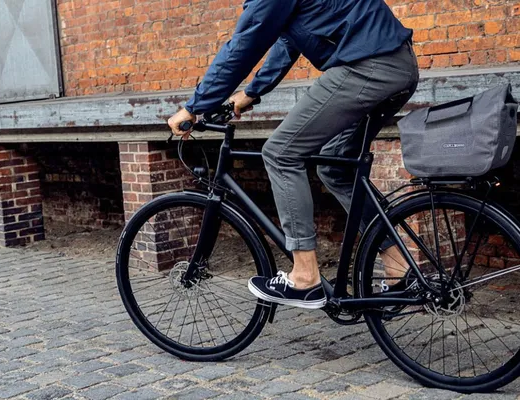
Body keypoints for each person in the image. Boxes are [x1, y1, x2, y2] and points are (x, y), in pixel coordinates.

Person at [168, 0, 419, 309]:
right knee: (336, 166)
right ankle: (399, 265)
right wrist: (251, 93)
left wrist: (196, 106)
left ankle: (305, 278)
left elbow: (246, 42)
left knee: (280, 153)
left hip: (367, 66)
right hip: (396, 63)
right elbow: (289, 39)